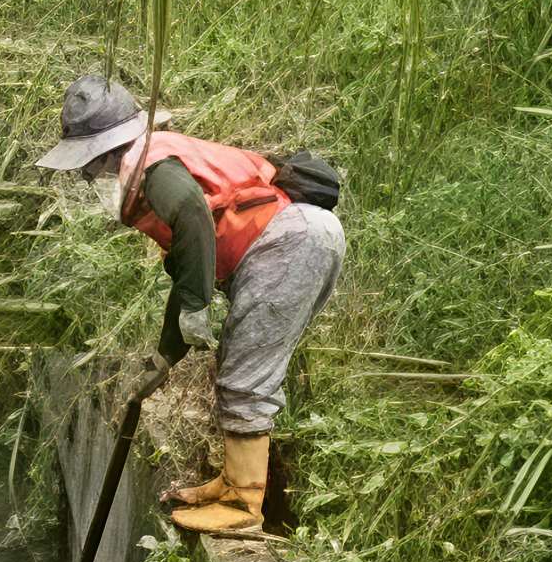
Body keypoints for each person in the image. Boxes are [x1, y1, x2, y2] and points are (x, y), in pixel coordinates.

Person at [34, 76, 344, 537]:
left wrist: (198, 306)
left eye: (90, 165)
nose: (91, 175)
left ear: (102, 152)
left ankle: (244, 504)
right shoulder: (157, 162)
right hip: (293, 241)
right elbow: (187, 268)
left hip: (286, 244)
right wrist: (164, 357)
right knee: (237, 365)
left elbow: (193, 215)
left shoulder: (150, 166)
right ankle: (233, 482)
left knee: (246, 375)